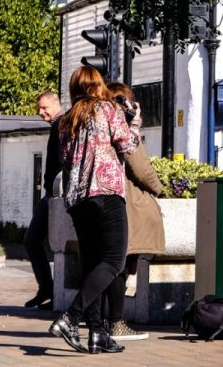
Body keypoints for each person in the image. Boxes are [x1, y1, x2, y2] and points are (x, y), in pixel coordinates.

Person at [52, 65, 138, 354]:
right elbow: (128, 145)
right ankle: (71, 316)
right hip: (106, 192)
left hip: (77, 199)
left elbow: (64, 159)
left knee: (92, 265)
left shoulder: (65, 120)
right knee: (114, 260)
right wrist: (134, 120)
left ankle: (97, 333)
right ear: (98, 85)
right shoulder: (107, 109)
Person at [104, 82, 167, 342]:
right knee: (121, 264)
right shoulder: (123, 128)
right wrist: (160, 188)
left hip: (105, 200)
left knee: (109, 263)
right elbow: (139, 166)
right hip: (127, 202)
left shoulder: (100, 121)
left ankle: (101, 320)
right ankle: (115, 322)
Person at [24, 90, 62, 310]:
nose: (41, 112)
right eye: (39, 108)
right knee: (35, 241)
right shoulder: (59, 125)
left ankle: (48, 289)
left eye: (44, 108)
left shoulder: (61, 125)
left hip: (55, 195)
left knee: (32, 240)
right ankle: (48, 289)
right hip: (52, 193)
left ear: (56, 104)